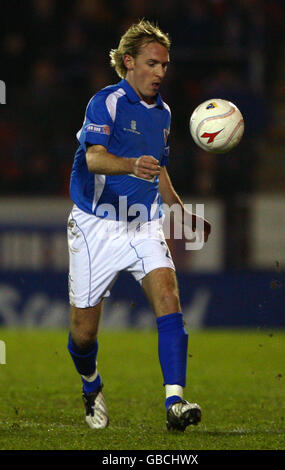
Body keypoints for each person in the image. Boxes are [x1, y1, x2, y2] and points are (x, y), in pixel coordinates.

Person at [67, 20, 211, 432]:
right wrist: (130, 164)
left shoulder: (164, 112)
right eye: (153, 64)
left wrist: (180, 211)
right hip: (95, 224)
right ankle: (91, 383)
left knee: (168, 296)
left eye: (165, 65)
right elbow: (94, 159)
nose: (161, 73)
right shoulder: (106, 102)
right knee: (83, 335)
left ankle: (175, 402)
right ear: (129, 63)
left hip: (143, 222)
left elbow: (159, 169)